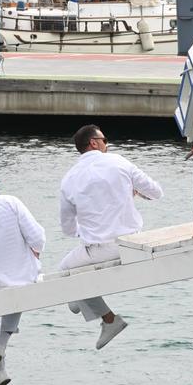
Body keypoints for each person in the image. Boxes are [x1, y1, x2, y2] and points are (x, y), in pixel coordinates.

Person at [60, 125, 163, 349]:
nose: (107, 144)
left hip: (100, 247)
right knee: (72, 282)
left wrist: (85, 230)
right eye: (104, 140)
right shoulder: (120, 162)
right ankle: (79, 298)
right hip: (133, 241)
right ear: (94, 143)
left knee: (64, 272)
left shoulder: (69, 179)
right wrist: (137, 193)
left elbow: (67, 229)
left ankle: (108, 319)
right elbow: (156, 192)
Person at [0, 179, 45, 385]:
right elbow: (37, 237)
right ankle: (0, 347)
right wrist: (35, 252)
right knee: (17, 290)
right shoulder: (10, 202)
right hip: (17, 276)